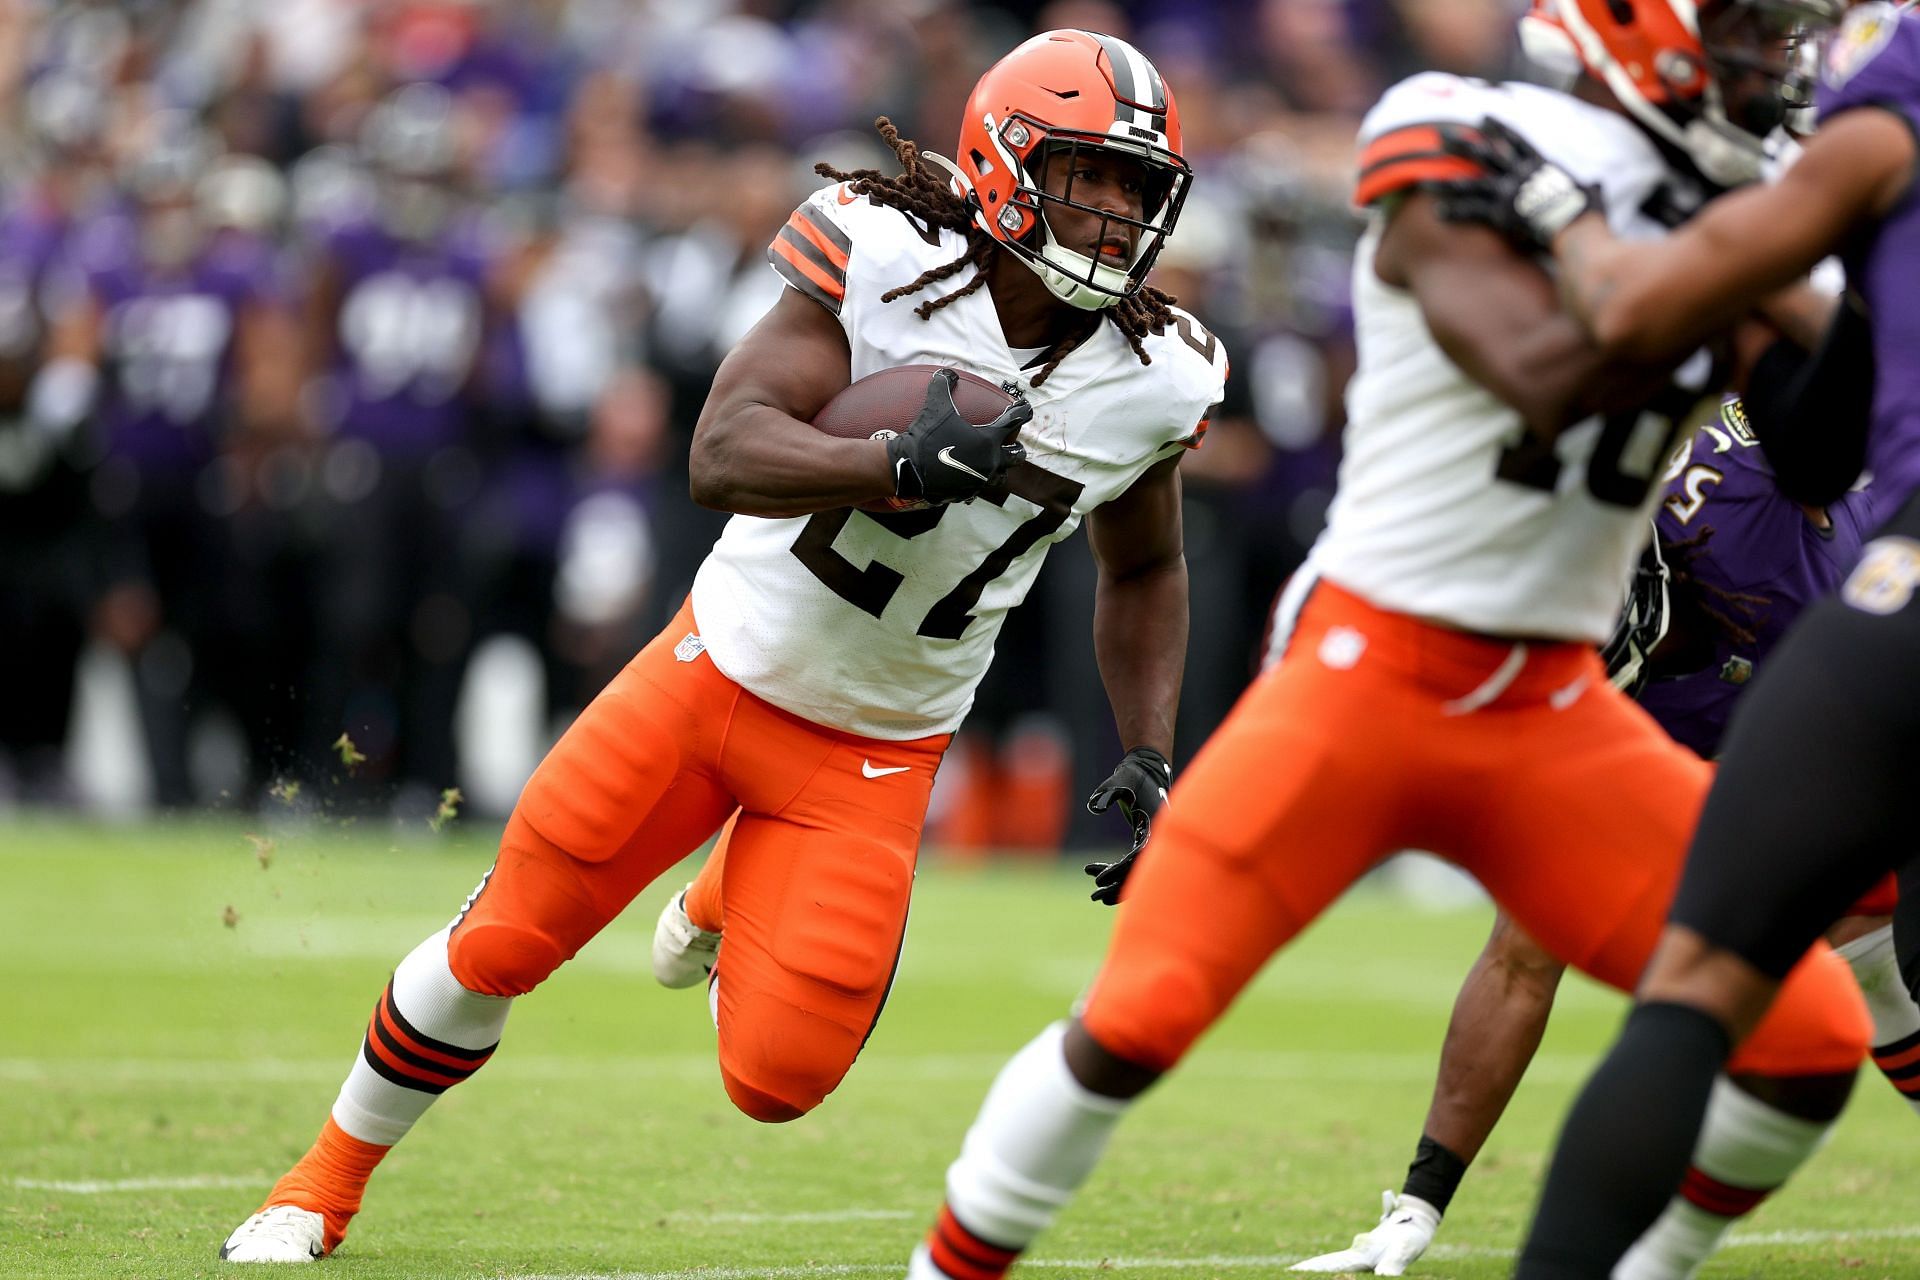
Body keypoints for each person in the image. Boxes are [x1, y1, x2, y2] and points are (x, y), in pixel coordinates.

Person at [895, 6, 1876, 1277]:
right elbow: (1542, 367)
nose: (1776, 61)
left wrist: (1836, 259)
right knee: (1138, 1017)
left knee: (1806, 1043)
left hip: (1554, 699)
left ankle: (1645, 1263)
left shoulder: (1715, 206)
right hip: (1371, 669)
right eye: (1747, 26)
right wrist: (1734, 249)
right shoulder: (1456, 129)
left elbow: (1817, 448)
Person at [218, 28, 1226, 1263]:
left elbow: (1145, 565)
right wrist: (883, 462)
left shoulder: (1156, 375)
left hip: (877, 746)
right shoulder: (889, 257)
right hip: (717, 676)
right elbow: (720, 452)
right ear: (1005, 162)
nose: (1119, 213)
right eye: (1092, 174)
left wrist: (1149, 746)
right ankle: (317, 1185)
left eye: (1139, 186)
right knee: (500, 945)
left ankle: (718, 884)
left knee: (779, 1079)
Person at [1423, 0, 1920, 1271]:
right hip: (1759, 658)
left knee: (1757, 976)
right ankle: (1439, 1205)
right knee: (1789, 966)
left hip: (1860, 619)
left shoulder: (1845, 147)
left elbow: (1764, 383)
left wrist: (1569, 221)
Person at [1292, 397, 1912, 1278]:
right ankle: (1420, 1203)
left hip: (1812, 702)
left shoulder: (1774, 531)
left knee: (1870, 951)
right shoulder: (1588, 590)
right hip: (1668, 719)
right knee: (1531, 939)